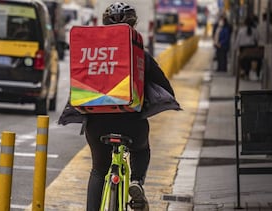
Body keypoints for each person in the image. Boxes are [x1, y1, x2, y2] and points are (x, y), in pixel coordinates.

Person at [58, 2, 180, 211]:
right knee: (141, 150)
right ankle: (136, 181)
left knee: (98, 170)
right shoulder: (141, 54)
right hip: (131, 122)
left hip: (96, 125)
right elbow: (164, 87)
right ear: (132, 26)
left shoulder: (90, 52)